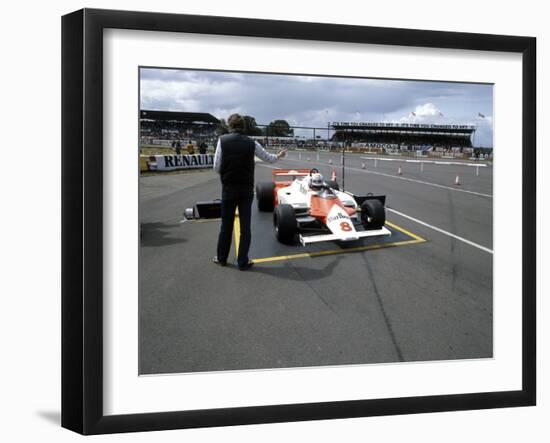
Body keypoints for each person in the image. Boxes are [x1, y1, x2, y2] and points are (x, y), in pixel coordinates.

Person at [213, 113, 287, 270]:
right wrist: (279, 155)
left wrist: (228, 173)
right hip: (246, 190)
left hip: (228, 188)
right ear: (243, 127)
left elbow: (216, 167)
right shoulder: (252, 143)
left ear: (230, 126)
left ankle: (221, 258)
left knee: (226, 226)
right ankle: (242, 261)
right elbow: (269, 158)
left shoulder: (222, 141)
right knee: (245, 228)